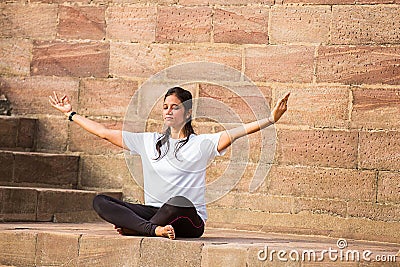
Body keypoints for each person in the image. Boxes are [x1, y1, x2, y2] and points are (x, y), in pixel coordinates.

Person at [49, 87, 290, 239]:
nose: (168, 111)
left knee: (177, 203)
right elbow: (103, 132)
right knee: (100, 201)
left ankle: (139, 229)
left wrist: (271, 119)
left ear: (187, 114)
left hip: (188, 219)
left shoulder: (203, 144)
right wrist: (70, 113)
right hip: (154, 213)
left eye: (175, 107)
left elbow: (239, 132)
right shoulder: (149, 141)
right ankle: (153, 230)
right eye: (165, 107)